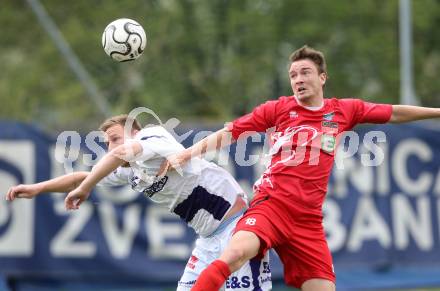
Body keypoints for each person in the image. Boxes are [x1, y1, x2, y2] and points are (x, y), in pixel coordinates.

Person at [159, 45, 440, 291]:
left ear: (322, 77)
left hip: (308, 221)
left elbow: (394, 112)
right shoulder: (278, 109)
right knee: (235, 253)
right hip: (272, 206)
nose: (298, 80)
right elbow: (231, 132)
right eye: (293, 75)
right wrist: (187, 153)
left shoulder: (344, 110)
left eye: (305, 72)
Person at [5, 114, 272, 291]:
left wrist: (85, 188)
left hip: (237, 227)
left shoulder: (152, 137)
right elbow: (82, 177)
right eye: (107, 143)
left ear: (136, 133)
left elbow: (112, 160)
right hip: (207, 239)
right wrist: (36, 188)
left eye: (115, 138)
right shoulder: (130, 169)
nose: (111, 148)